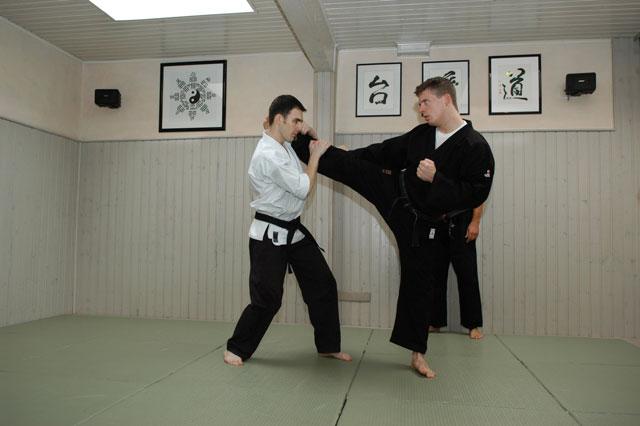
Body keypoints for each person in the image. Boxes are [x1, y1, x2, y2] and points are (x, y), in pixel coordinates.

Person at [291, 77, 494, 378]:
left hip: (423, 224)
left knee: (419, 283)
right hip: (395, 193)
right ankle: (302, 141)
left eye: (425, 102)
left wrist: (436, 179)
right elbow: (385, 152)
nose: (421, 109)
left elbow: (476, 193)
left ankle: (417, 354)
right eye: (419, 103)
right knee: (354, 167)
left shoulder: (475, 146)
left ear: (446, 100)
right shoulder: (423, 134)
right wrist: (346, 155)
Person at [224, 95, 352, 366]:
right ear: (279, 119)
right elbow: (304, 188)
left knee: (323, 284)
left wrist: (309, 132)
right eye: (295, 121)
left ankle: (328, 346)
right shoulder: (268, 155)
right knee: (268, 299)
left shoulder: (284, 144)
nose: (298, 127)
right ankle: (236, 348)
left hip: (293, 230)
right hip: (269, 234)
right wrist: (315, 157)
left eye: (300, 122)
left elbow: (309, 140)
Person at [429, 203, 485, 340]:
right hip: (439, 221)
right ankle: (435, 322)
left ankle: (473, 325)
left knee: (468, 274)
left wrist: (475, 222)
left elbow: (479, 198)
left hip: (463, 221)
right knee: (436, 274)